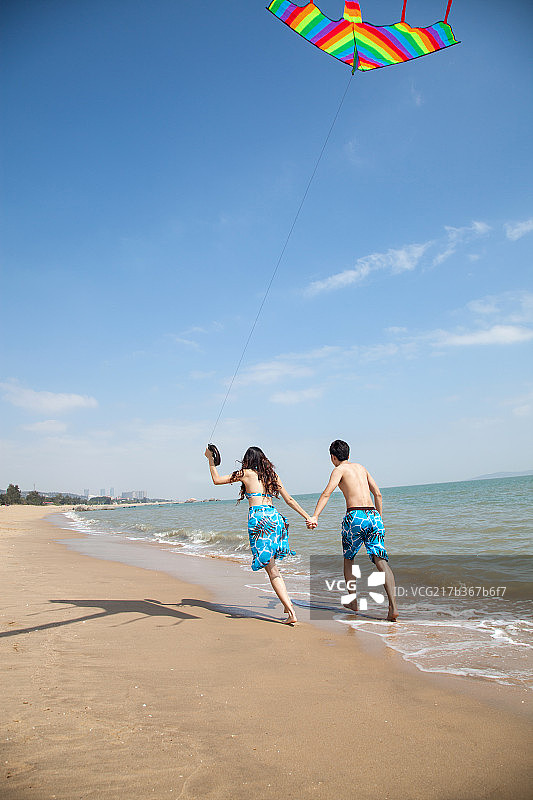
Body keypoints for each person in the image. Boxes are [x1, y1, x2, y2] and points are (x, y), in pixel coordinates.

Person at [205, 445, 312, 625]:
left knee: (272, 570)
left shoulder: (245, 473)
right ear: (263, 460)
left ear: (248, 460)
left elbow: (216, 480)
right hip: (275, 518)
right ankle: (286, 603)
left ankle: (291, 611)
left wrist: (210, 459)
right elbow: (289, 500)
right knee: (273, 565)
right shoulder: (272, 476)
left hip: (260, 520)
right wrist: (308, 517)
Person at [307, 439, 398, 621]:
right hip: (373, 515)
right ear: (348, 454)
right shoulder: (361, 468)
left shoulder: (339, 470)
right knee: (381, 561)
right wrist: (378, 517)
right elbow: (377, 493)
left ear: (333, 457)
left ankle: (353, 600)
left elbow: (327, 493)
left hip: (355, 516)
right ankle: (393, 607)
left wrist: (315, 516)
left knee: (349, 558)